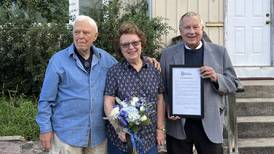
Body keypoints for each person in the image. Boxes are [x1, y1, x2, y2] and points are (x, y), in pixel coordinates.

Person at [36, 15, 160, 154]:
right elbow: (46, 99)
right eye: (77, 32)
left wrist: (146, 60)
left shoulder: (106, 60)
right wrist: (45, 129)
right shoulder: (58, 61)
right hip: (67, 135)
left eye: (86, 32)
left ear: (95, 36)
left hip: (98, 136)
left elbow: (128, 64)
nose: (80, 36)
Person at [160, 12, 240, 154]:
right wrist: (168, 105)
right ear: (180, 31)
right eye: (187, 28)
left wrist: (216, 77)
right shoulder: (167, 54)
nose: (191, 32)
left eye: (195, 27)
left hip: (209, 122)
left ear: (202, 29)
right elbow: (162, 87)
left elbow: (234, 83)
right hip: (179, 124)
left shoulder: (219, 52)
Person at [104, 22, 166, 154]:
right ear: (120, 49)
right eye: (125, 45)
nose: (131, 47)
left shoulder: (154, 69)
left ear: (141, 44)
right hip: (121, 142)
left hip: (149, 141)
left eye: (135, 43)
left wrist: (160, 129)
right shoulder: (114, 72)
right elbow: (108, 102)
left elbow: (160, 99)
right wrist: (119, 128)